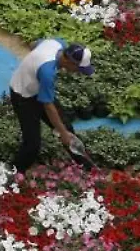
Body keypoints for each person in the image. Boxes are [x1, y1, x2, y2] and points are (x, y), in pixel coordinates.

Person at [8, 38, 94, 172]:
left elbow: (33, 44)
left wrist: (32, 64)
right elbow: (48, 106)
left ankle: (86, 166)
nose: (78, 72)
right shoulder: (47, 72)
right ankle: (14, 171)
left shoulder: (57, 43)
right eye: (78, 68)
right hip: (22, 95)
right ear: (68, 61)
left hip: (37, 89)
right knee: (32, 143)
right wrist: (62, 133)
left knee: (66, 127)